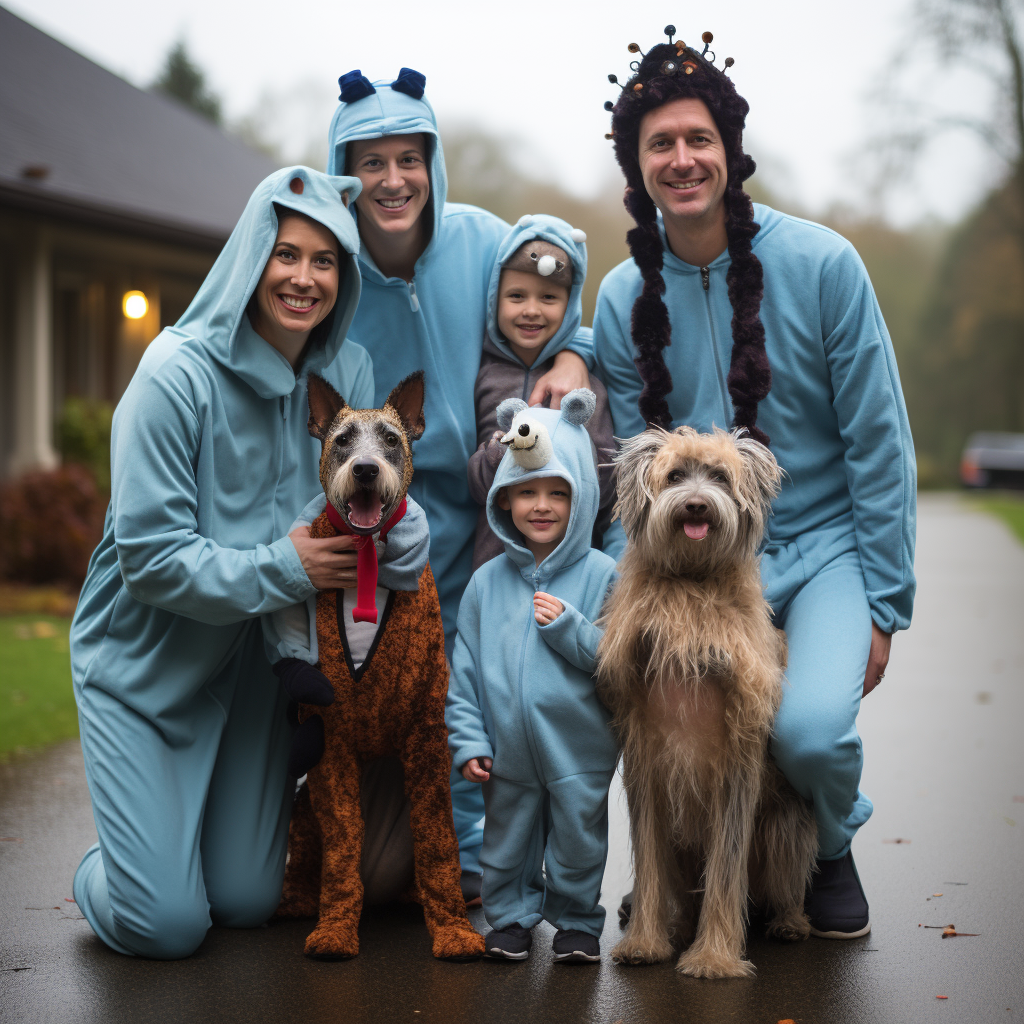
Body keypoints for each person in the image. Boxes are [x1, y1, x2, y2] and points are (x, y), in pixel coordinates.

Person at [594, 28, 917, 938]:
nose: (683, 159)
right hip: (692, 563)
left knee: (808, 732)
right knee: (652, 709)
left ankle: (827, 839)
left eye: (699, 139)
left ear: (732, 150)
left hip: (825, 552)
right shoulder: (621, 297)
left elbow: (880, 443)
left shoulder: (824, 264)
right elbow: (630, 468)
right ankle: (675, 873)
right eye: (661, 143)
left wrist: (884, 603)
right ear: (638, 163)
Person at [69, 167, 379, 959]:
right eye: (286, 253)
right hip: (143, 665)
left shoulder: (346, 379)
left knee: (244, 902)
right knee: (166, 926)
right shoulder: (173, 378)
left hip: (252, 671)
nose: (304, 278)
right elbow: (151, 561)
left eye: (325, 260)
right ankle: (109, 875)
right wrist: (288, 569)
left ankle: (173, 859)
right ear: (251, 256)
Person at [325, 68, 593, 897]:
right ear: (345, 171)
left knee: (487, 701)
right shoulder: (329, 264)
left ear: (433, 163)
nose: (393, 179)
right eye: (371, 162)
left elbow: (548, 297)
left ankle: (490, 870)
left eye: (411, 158)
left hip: (483, 529)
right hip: (375, 533)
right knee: (381, 835)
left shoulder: (481, 242)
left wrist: (575, 348)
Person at [446, 394, 618, 963]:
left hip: (579, 750)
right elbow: (464, 673)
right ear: (504, 499)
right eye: (526, 492)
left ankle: (575, 921)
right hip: (509, 754)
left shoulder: (602, 577)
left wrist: (570, 630)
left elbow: (618, 663)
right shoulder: (485, 583)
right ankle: (512, 917)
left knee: (577, 843)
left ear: (581, 496)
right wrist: (469, 739)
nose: (540, 506)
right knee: (505, 844)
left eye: (558, 492)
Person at [468, 213, 615, 569]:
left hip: (572, 566)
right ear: (494, 299)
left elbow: (609, 482)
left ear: (569, 306)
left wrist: (571, 460)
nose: (531, 310)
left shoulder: (584, 384)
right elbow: (475, 483)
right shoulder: (482, 374)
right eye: (516, 296)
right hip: (496, 562)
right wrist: (497, 454)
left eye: (549, 297)